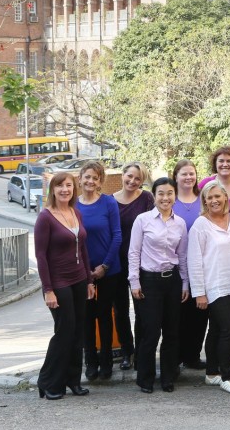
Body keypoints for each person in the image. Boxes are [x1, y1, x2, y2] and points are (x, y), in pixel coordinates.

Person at [35, 171, 95, 400]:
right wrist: (48, 289)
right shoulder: (45, 217)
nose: (64, 190)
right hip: (57, 282)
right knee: (64, 332)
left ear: (74, 188)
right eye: (60, 186)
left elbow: (84, 249)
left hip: (79, 279)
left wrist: (89, 280)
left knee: (78, 332)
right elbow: (40, 256)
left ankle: (73, 380)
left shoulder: (75, 212)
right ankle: (49, 381)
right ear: (53, 190)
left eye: (68, 185)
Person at [128, 177, 190, 393]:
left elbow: (182, 255)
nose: (165, 197)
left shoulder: (180, 223)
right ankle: (145, 378)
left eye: (170, 193)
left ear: (175, 195)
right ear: (154, 195)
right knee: (150, 332)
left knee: (172, 332)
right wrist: (134, 281)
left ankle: (168, 376)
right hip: (149, 282)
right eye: (161, 193)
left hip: (172, 281)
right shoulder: (142, 220)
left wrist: (185, 283)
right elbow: (134, 252)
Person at [187, 180, 230, 394]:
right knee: (229, 328)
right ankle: (227, 376)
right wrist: (199, 293)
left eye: (217, 196)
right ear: (204, 201)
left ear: (225, 198)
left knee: (216, 329)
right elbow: (194, 260)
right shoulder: (200, 225)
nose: (214, 201)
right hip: (214, 285)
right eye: (209, 198)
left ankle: (212, 372)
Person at [199, 146, 230, 364]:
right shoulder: (204, 189)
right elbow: (196, 259)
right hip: (214, 273)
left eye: (229, 161)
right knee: (224, 325)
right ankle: (220, 370)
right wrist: (200, 290)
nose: (225, 164)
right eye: (221, 161)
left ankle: (221, 363)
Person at [76, 161, 122, 381]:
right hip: (82, 274)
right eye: (87, 177)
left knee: (105, 316)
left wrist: (104, 266)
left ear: (100, 181)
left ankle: (106, 362)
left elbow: (117, 235)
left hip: (108, 271)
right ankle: (90, 362)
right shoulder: (73, 206)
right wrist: (86, 272)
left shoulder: (108, 203)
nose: (90, 181)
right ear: (80, 178)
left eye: (95, 178)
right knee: (86, 318)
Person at [113, 163, 153, 371]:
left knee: (141, 309)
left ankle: (141, 352)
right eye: (130, 176)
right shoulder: (110, 201)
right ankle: (127, 351)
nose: (132, 181)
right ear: (123, 175)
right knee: (120, 310)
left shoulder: (147, 198)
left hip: (140, 263)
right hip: (117, 264)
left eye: (138, 179)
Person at [171, 159, 208, 371]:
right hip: (174, 268)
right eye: (183, 174)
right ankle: (175, 356)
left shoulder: (202, 200)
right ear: (176, 176)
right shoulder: (169, 199)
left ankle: (193, 355)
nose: (188, 177)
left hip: (201, 267)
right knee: (177, 316)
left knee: (198, 314)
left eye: (191, 174)